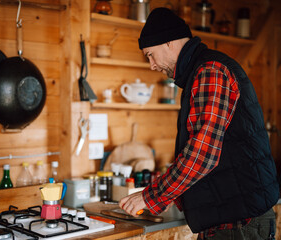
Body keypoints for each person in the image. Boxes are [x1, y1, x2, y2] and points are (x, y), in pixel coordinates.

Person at [119, 7, 279, 240]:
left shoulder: (210, 71)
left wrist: (151, 197)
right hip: (232, 221)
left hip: (239, 225)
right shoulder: (201, 72)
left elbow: (201, 155)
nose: (151, 65)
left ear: (169, 43)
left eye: (150, 55)